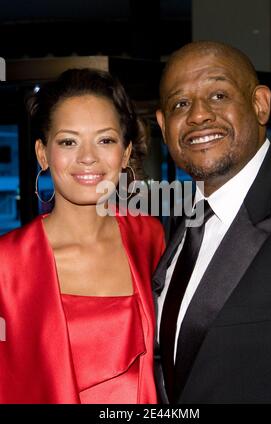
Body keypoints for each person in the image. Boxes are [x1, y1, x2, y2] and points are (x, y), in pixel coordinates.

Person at [0, 68, 165, 403]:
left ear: (126, 154)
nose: (88, 157)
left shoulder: (148, 235)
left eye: (105, 140)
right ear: (43, 153)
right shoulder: (6, 264)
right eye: (68, 141)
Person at [153, 40, 271, 403]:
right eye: (180, 104)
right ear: (162, 124)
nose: (198, 115)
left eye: (218, 95)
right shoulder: (177, 220)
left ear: (260, 104)